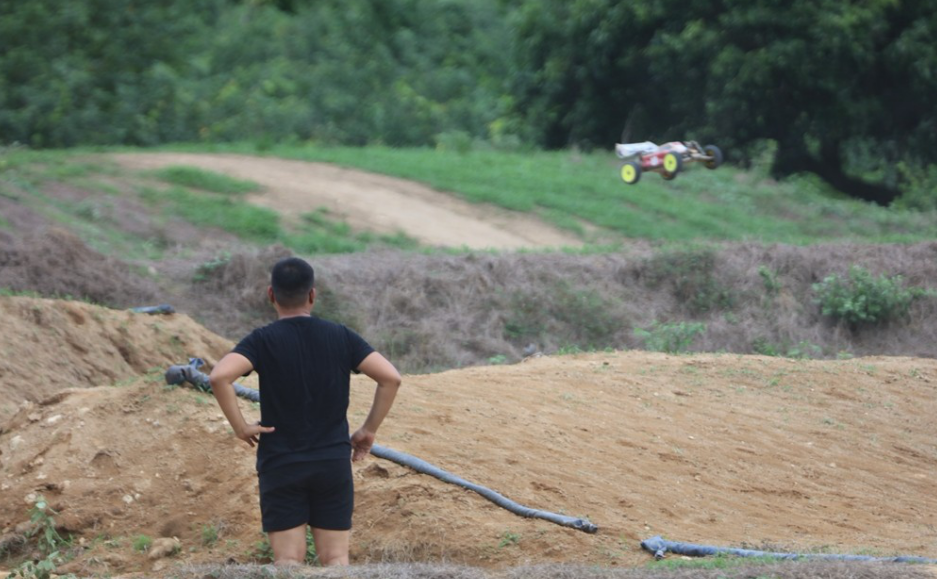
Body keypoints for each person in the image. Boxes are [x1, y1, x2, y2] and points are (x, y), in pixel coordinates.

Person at [209, 257, 401, 566]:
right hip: (331, 462)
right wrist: (368, 430)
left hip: (280, 462)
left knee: (288, 560)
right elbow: (390, 378)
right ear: (312, 295)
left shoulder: (261, 340)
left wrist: (241, 427)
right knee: (336, 558)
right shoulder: (341, 336)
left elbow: (219, 377)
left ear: (271, 295)